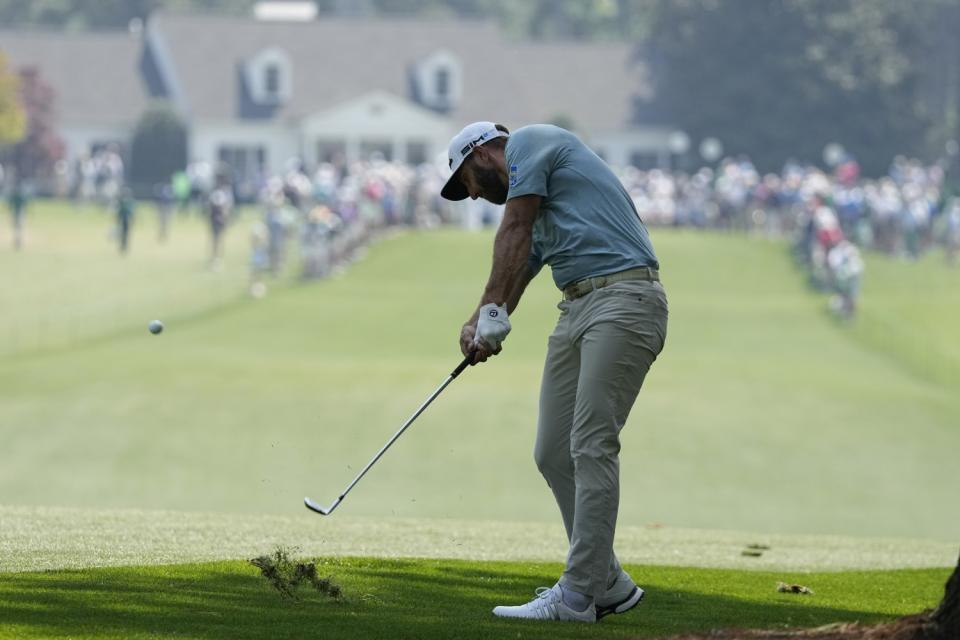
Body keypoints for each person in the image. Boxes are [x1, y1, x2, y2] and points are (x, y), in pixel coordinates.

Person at [441, 122, 668, 623]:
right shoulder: (541, 207)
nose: (474, 197)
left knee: (591, 443)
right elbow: (521, 264)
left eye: (468, 184)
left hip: (625, 298)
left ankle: (577, 596)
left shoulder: (531, 141)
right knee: (552, 452)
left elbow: (514, 230)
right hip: (578, 308)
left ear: (482, 154)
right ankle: (608, 582)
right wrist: (484, 320)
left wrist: (492, 312)